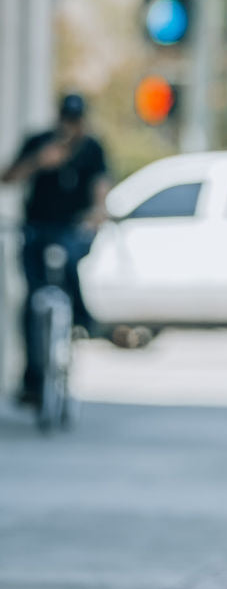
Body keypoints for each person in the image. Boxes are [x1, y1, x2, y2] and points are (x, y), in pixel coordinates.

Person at [0, 92, 110, 406]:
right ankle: (32, 377)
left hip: (70, 228)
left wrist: (97, 212)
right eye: (66, 119)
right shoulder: (39, 141)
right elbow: (8, 177)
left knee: (70, 261)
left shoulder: (92, 149)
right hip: (36, 228)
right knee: (33, 299)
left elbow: (100, 186)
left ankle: (80, 318)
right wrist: (38, 161)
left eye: (76, 121)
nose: (70, 127)